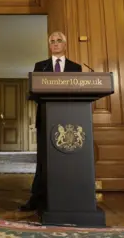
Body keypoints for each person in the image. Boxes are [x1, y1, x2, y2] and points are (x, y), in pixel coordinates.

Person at [19, 31, 82, 212]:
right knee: (43, 159)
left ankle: (67, 195)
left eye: (59, 41)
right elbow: (34, 91)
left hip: (68, 121)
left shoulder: (75, 68)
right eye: (52, 41)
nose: (55, 44)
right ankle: (38, 198)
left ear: (65, 44)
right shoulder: (41, 66)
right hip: (45, 118)